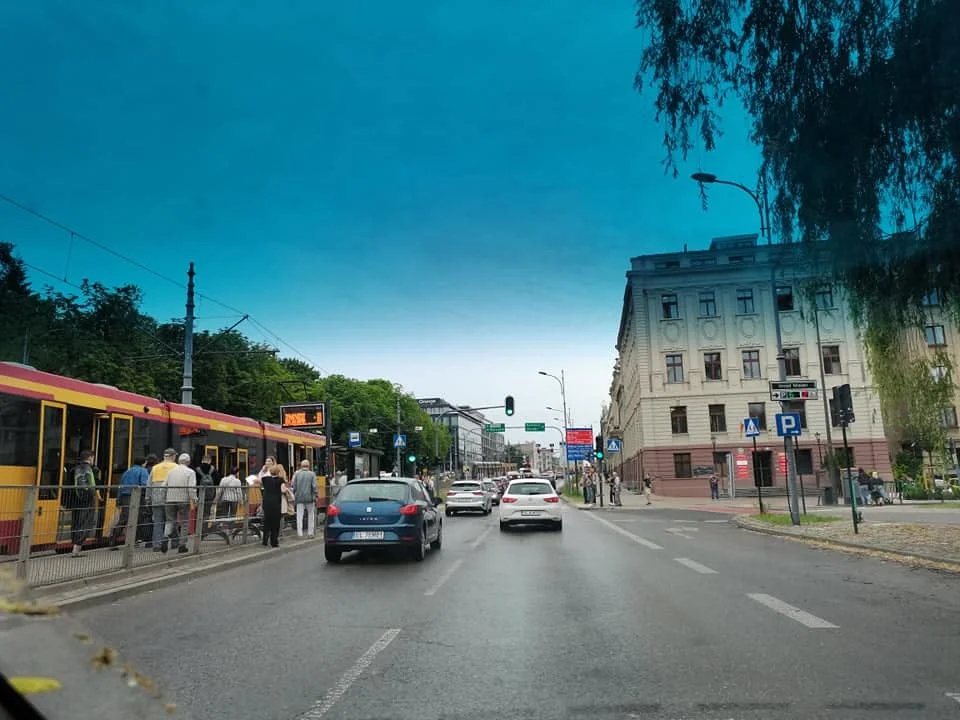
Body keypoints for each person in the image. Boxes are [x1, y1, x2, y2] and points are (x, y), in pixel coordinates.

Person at [259, 464, 287, 548]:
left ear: (270, 472)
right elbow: (283, 490)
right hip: (276, 502)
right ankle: (274, 542)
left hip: (267, 502)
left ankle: (264, 540)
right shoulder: (280, 480)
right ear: (278, 472)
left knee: (267, 521)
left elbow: (258, 479)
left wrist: (263, 470)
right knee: (275, 523)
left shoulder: (265, 479)